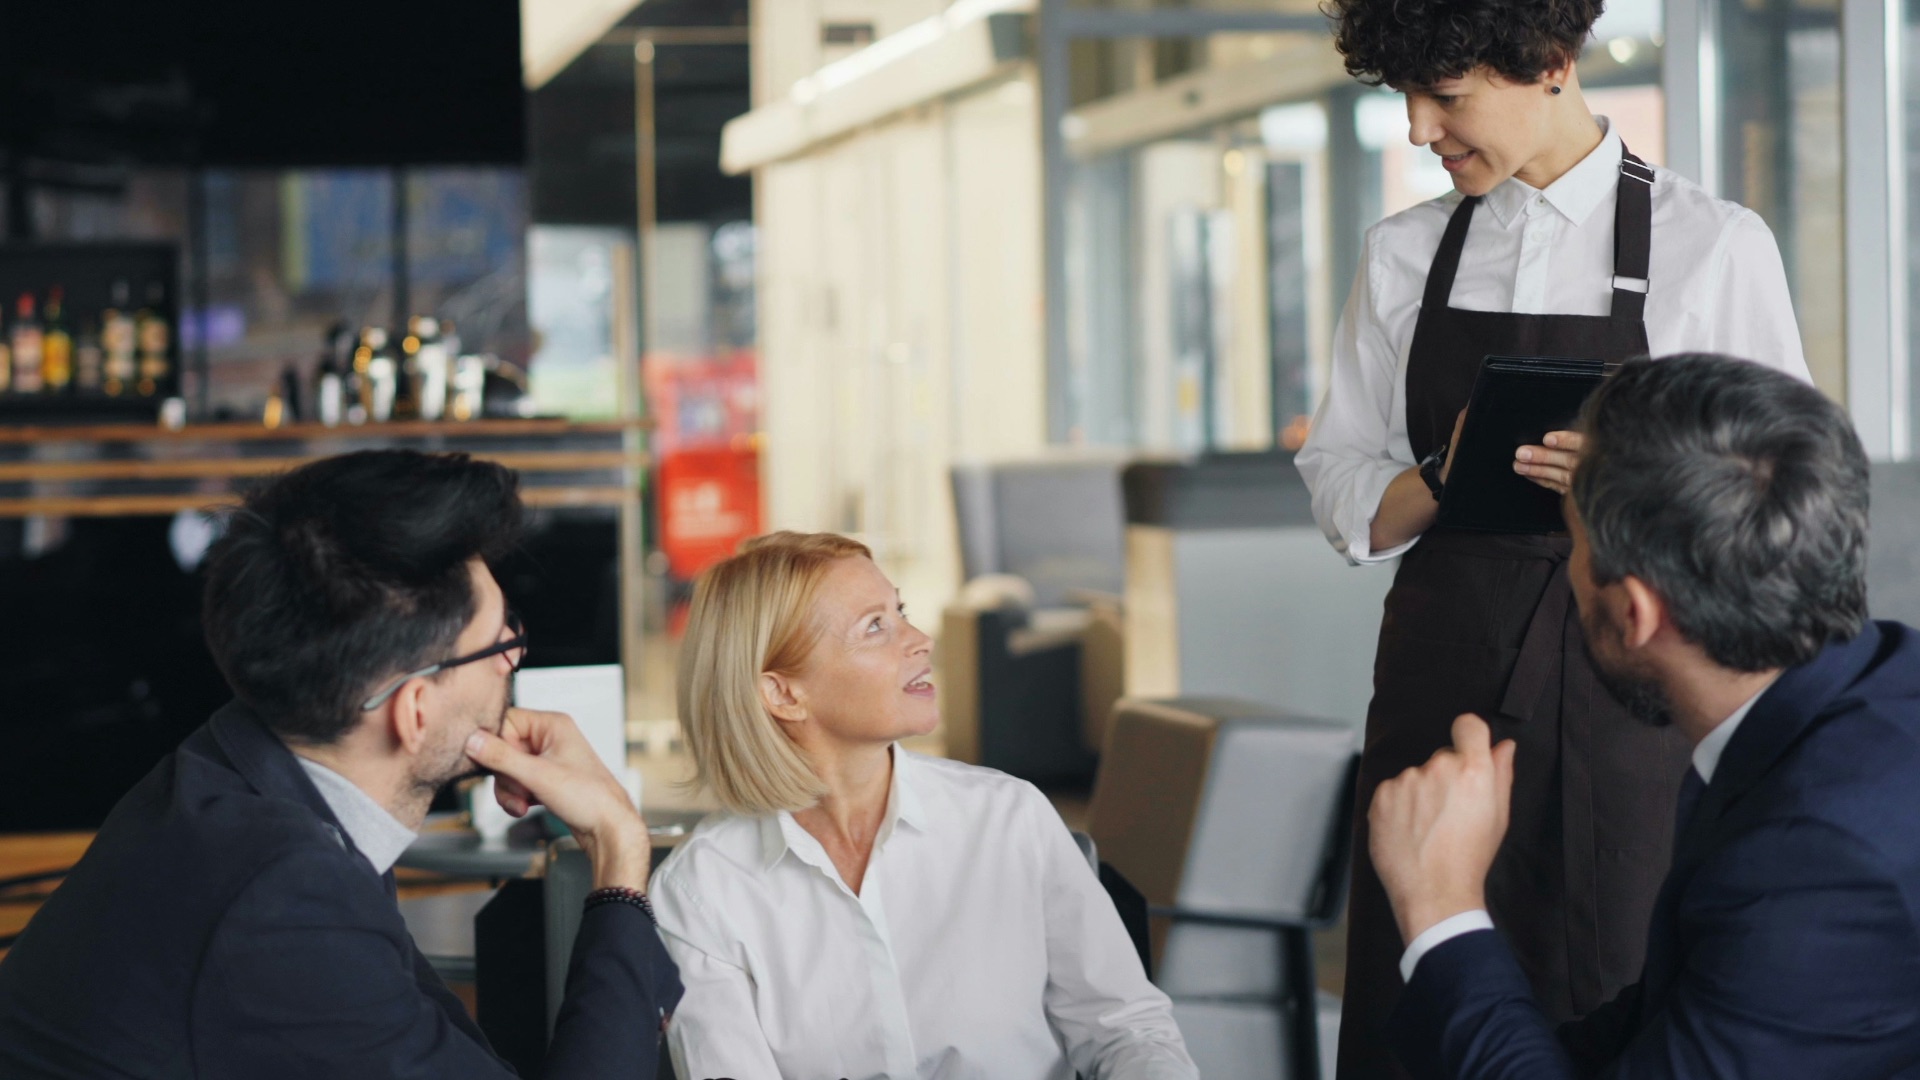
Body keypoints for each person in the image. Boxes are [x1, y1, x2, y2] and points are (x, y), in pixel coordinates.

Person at [1291, 3, 1814, 1075]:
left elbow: (1779, 504)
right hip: (1443, 664)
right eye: (1405, 99)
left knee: (1615, 969)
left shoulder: (1712, 245)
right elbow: (1341, 482)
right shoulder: (1402, 254)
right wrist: (1449, 470)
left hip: (1633, 676)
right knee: (1413, 988)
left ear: (1553, 66)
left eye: (1447, 96)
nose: (1419, 131)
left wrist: (1643, 477)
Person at [0, 450, 681, 1078]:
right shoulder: (279, 900)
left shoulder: (235, 766)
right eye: (502, 638)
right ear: (413, 711)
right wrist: (617, 843)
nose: (512, 655)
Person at [1370, 354, 1920, 1078]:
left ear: (1635, 612)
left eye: (1574, 544)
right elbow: (1661, 1031)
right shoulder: (1851, 698)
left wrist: (1442, 911)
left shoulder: (1818, 858)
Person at [650, 531, 1197, 1080]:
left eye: (900, 611)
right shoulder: (702, 890)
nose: (920, 639)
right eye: (875, 626)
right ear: (784, 694)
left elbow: (1127, 1030)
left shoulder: (1009, 819)